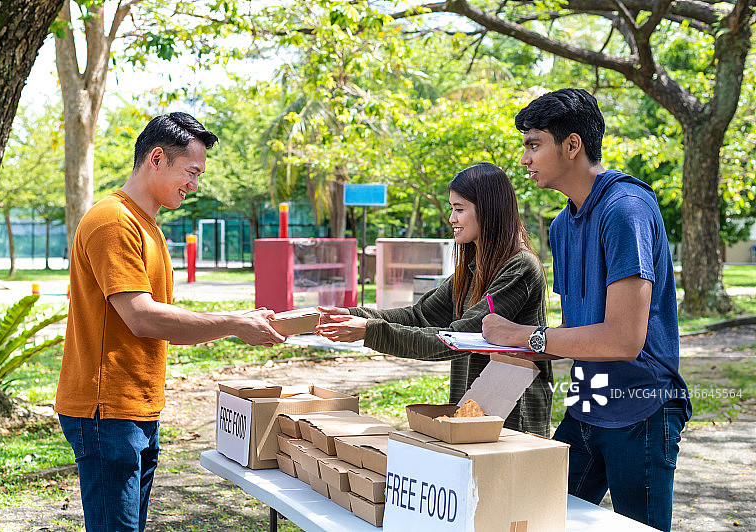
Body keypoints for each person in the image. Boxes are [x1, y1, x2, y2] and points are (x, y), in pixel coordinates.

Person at [54, 112, 285, 532]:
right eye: (191, 172)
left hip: (137, 407)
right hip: (107, 411)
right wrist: (234, 323)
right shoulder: (113, 222)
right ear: (157, 158)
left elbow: (155, 321)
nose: (194, 185)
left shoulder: (149, 227)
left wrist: (236, 322)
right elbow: (142, 317)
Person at [481, 88, 691, 531]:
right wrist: (506, 348)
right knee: (538, 517)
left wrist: (521, 334)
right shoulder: (562, 225)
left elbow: (622, 340)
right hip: (586, 401)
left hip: (640, 407)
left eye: (534, 145)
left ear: (572, 144)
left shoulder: (625, 209)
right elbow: (575, 328)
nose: (524, 159)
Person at [316, 163, 553, 436]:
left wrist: (370, 331)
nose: (451, 218)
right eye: (451, 208)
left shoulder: (520, 267)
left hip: (513, 416)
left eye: (459, 209)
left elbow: (462, 338)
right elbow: (420, 316)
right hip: (473, 408)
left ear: (489, 210)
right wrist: (354, 315)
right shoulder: (472, 268)